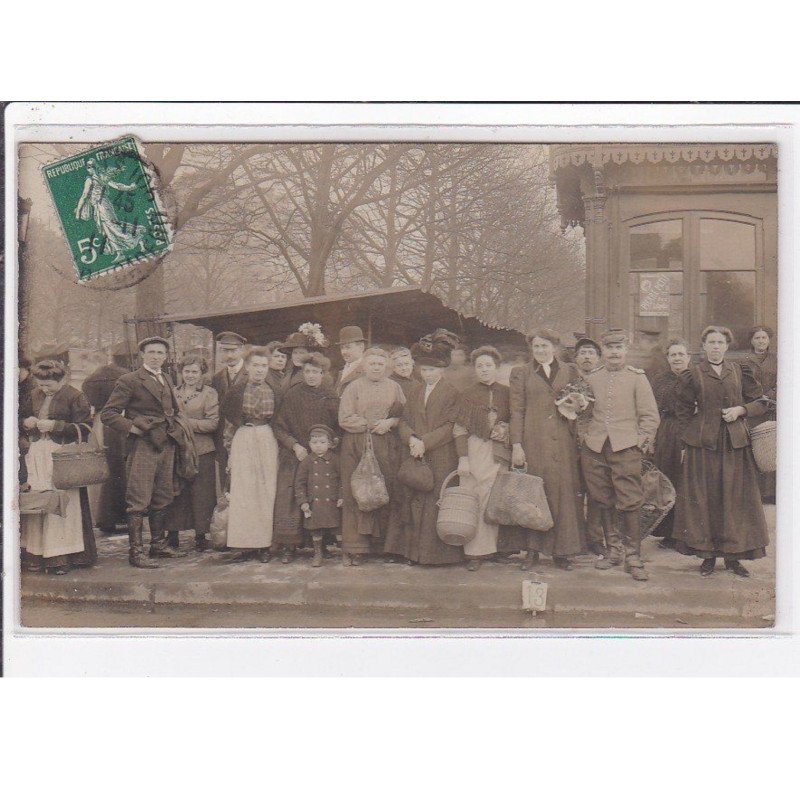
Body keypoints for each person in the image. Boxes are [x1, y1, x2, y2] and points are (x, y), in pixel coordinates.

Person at [672, 326, 769, 577]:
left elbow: (762, 402)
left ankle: (734, 558)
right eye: (711, 342)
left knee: (735, 500)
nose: (716, 347)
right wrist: (688, 438)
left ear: (727, 346)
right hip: (703, 446)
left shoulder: (739, 371)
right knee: (707, 500)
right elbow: (681, 411)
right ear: (703, 346)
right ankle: (708, 556)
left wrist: (741, 410)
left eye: (720, 342)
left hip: (734, 444)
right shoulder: (692, 375)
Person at [101, 337, 188, 568]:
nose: (156, 356)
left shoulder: (167, 377)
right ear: (142, 355)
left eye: (160, 353)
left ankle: (157, 546)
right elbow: (108, 414)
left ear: (166, 356)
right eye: (151, 352)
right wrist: (133, 428)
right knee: (138, 499)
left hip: (166, 443)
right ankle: (136, 552)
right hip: (143, 446)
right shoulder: (129, 380)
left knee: (163, 496)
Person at [581, 329, 660, 581]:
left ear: (626, 351)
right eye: (610, 348)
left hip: (626, 446)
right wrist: (585, 437)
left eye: (619, 348)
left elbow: (649, 416)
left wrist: (639, 441)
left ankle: (632, 555)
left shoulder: (637, 378)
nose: (614, 353)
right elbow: (581, 412)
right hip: (595, 447)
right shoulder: (592, 378)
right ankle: (612, 551)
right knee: (602, 498)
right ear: (603, 352)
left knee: (629, 500)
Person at [510, 330, 585, 570]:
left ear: (555, 347)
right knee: (534, 494)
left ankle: (562, 552)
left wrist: (578, 405)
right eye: (536, 347)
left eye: (545, 346)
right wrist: (517, 445)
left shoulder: (570, 371)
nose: (540, 351)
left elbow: (584, 402)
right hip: (534, 441)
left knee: (562, 494)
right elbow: (517, 410)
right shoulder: (521, 373)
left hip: (563, 441)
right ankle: (532, 551)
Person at [384, 341, 463, 566]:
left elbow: (451, 425)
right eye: (424, 370)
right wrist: (411, 438)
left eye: (432, 370)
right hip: (415, 451)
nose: (427, 374)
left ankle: (435, 555)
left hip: (440, 454)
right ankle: (413, 553)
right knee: (414, 500)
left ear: (442, 370)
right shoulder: (415, 389)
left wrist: (425, 442)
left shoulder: (452, 392)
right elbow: (405, 420)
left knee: (434, 501)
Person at [20, 360, 97, 575]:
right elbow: (22, 416)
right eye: (41, 385)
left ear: (62, 379)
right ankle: (37, 554)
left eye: (50, 385)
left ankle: (62, 555)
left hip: (62, 456)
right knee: (38, 502)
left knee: (63, 503)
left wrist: (56, 426)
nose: (44, 389)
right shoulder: (34, 394)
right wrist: (27, 421)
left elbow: (85, 428)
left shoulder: (75, 396)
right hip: (37, 455)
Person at [453, 346, 524, 570]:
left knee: (497, 497)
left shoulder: (507, 392)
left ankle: (499, 548)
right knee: (475, 495)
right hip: (475, 449)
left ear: (497, 367)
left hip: (500, 450)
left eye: (488, 365)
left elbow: (518, 420)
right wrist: (463, 458)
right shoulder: (467, 393)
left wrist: (507, 431)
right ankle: (475, 553)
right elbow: (459, 429)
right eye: (480, 366)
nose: (484, 370)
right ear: (475, 369)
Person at [338, 348, 405, 565]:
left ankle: (384, 545)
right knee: (358, 491)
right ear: (364, 366)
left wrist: (390, 423)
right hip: (357, 445)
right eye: (372, 364)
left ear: (386, 366)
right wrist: (367, 425)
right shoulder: (353, 387)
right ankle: (356, 547)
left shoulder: (395, 387)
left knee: (384, 489)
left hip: (385, 444)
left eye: (380, 363)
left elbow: (402, 414)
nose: (376, 367)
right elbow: (344, 418)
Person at [272, 353, 340, 563]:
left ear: (323, 374)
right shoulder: (292, 395)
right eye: (307, 371)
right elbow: (279, 427)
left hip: (321, 455)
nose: (311, 376)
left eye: (316, 372)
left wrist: (328, 446)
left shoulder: (330, 396)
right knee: (291, 496)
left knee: (320, 497)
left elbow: (338, 429)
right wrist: (294, 445)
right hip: (295, 454)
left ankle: (319, 545)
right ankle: (288, 545)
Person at [221, 347, 279, 563]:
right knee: (244, 490)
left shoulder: (274, 389)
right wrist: (229, 453)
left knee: (266, 489)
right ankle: (244, 543)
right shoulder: (236, 391)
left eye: (264, 366)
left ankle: (265, 544)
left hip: (267, 437)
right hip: (243, 437)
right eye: (255, 365)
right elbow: (229, 423)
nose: (259, 370)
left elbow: (279, 419)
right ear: (247, 367)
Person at [165, 354, 219, 552]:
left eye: (195, 371)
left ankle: (201, 535)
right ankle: (172, 534)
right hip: (177, 448)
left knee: (201, 493)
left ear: (202, 373)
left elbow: (213, 422)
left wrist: (187, 424)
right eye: (187, 371)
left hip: (202, 449)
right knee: (176, 490)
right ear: (181, 372)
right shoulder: (172, 392)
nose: (190, 375)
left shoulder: (209, 393)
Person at [573, 335, 613, 557]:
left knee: (597, 492)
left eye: (591, 353)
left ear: (598, 358)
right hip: (571, 443)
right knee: (574, 490)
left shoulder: (605, 381)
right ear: (576, 358)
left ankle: (595, 538)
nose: (587, 357)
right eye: (582, 353)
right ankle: (575, 538)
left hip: (598, 443)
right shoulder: (567, 379)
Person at [650, 338, 691, 548]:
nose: (677, 358)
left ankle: (688, 534)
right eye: (673, 355)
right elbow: (654, 408)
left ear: (688, 357)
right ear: (667, 358)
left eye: (681, 354)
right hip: (667, 431)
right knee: (668, 478)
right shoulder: (659, 380)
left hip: (690, 430)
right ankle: (669, 532)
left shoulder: (696, 378)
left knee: (688, 481)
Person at [81, 357, 128, 534]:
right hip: (119, 419)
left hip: (100, 423)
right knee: (120, 468)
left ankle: (103, 516)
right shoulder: (122, 377)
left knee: (103, 470)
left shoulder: (90, 381)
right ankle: (121, 514)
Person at [295, 424, 343, 567]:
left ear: (329, 443)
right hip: (314, 504)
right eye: (314, 443)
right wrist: (303, 501)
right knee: (316, 530)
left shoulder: (335, 460)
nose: (319, 446)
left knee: (338, 529)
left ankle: (345, 553)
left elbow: (343, 480)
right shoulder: (306, 462)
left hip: (332, 503)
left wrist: (342, 496)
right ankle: (318, 554)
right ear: (309, 444)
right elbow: (299, 483)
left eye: (322, 442)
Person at [211, 331, 248, 484]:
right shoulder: (216, 378)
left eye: (233, 351)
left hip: (246, 435)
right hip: (223, 439)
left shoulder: (252, 373)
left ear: (242, 350)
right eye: (225, 351)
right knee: (226, 480)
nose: (229, 355)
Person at [745, 324, 777, 503]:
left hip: (773, 408)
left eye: (764, 337)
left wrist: (770, 395)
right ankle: (757, 493)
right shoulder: (745, 361)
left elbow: (785, 380)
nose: (761, 341)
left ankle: (771, 493)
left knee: (772, 449)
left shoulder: (777, 359)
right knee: (757, 449)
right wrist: (757, 397)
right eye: (757, 338)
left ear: (769, 340)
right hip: (755, 409)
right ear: (751, 340)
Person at [335, 325, 367, 395]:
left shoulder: (367, 370)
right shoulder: (342, 371)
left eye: (348, 347)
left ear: (361, 347)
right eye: (342, 348)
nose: (344, 352)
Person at [265, 340, 288, 407]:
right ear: (268, 357)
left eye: (283, 357)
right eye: (276, 356)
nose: (280, 360)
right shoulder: (265, 376)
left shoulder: (285, 376)